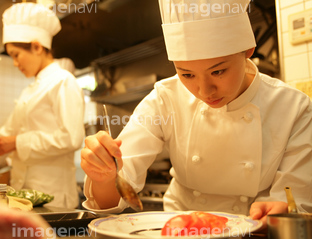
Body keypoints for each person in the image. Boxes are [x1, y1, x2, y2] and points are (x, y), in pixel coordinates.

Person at [80, 0, 312, 231]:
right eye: (187, 74)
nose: (204, 91)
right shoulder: (165, 98)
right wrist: (103, 176)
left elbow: (294, 202)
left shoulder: (294, 108)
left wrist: (279, 210)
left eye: (218, 71)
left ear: (247, 50)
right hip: (178, 232)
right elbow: (115, 194)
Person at [0, 3, 85, 209]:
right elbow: (6, 136)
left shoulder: (63, 81)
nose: (15, 63)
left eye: (16, 55)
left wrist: (18, 143)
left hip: (52, 196)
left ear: (37, 47)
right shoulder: (29, 91)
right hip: (24, 195)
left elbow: (72, 137)